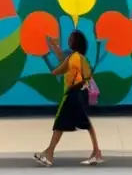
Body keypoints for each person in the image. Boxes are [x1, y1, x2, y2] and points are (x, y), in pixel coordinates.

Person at [33, 29, 103, 167]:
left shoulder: (75, 58)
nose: (69, 40)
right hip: (77, 94)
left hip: (72, 94)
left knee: (61, 122)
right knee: (83, 123)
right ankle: (96, 152)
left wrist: (49, 55)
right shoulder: (78, 58)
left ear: (76, 42)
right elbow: (62, 65)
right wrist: (53, 47)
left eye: (71, 39)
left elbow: (58, 68)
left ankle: (49, 154)